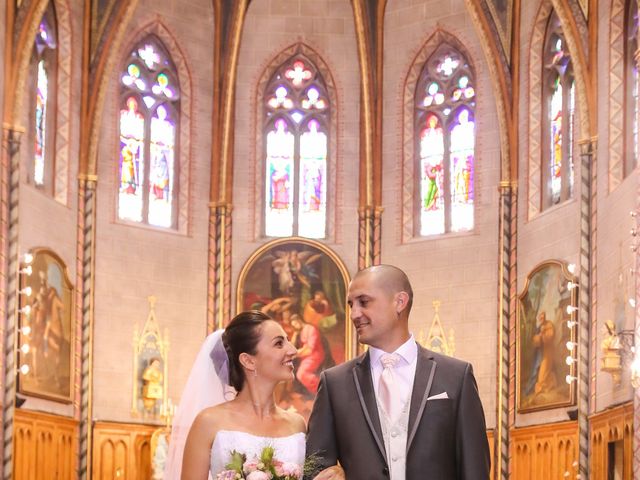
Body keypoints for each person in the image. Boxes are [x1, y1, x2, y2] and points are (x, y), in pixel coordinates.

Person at [307, 265, 490, 480]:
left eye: (364, 302)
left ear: (399, 302)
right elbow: (315, 469)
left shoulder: (456, 376)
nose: (354, 314)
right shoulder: (334, 383)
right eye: (351, 305)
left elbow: (475, 469)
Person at [164, 311, 341, 480]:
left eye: (287, 341)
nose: (293, 350)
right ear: (248, 361)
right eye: (279, 343)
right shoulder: (208, 422)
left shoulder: (297, 424)